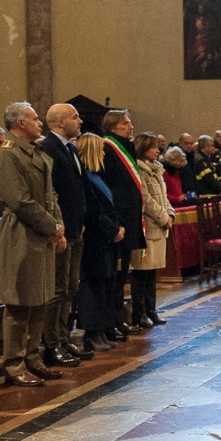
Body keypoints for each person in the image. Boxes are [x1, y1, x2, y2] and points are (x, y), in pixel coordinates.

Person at [0, 101, 66, 387]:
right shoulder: (8, 155)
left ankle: (33, 358)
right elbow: (19, 200)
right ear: (20, 123)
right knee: (20, 302)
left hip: (42, 234)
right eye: (35, 119)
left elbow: (51, 196)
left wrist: (57, 228)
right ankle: (14, 364)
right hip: (21, 234)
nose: (41, 124)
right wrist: (52, 227)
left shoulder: (35, 152)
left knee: (40, 299)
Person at [37, 104, 88, 367]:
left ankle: (64, 337)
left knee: (70, 287)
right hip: (60, 230)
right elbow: (51, 192)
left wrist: (81, 220)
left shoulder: (70, 147)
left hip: (75, 228)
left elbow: (76, 188)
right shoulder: (48, 147)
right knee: (57, 289)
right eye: (74, 116)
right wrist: (60, 226)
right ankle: (52, 344)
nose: (79, 120)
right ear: (59, 122)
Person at [76, 133, 127, 351]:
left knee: (106, 283)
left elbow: (110, 207)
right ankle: (91, 332)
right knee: (93, 286)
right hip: (95, 238)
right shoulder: (85, 178)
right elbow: (93, 212)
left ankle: (103, 328)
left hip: (107, 238)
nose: (104, 153)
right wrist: (113, 230)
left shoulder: (98, 176)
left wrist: (118, 228)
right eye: (101, 149)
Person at [101, 110, 147, 335]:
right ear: (113, 127)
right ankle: (112, 320)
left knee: (122, 275)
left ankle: (119, 319)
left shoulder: (124, 147)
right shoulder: (108, 148)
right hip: (119, 220)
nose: (131, 127)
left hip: (129, 219)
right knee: (116, 275)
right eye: (125, 123)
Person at [133, 132, 173, 327]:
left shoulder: (157, 169)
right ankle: (139, 312)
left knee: (151, 274)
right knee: (141, 273)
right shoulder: (139, 169)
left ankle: (152, 310)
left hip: (159, 226)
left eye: (158, 147)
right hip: (147, 226)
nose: (157, 150)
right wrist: (164, 217)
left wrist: (170, 213)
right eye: (153, 147)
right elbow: (146, 199)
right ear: (142, 149)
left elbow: (164, 197)